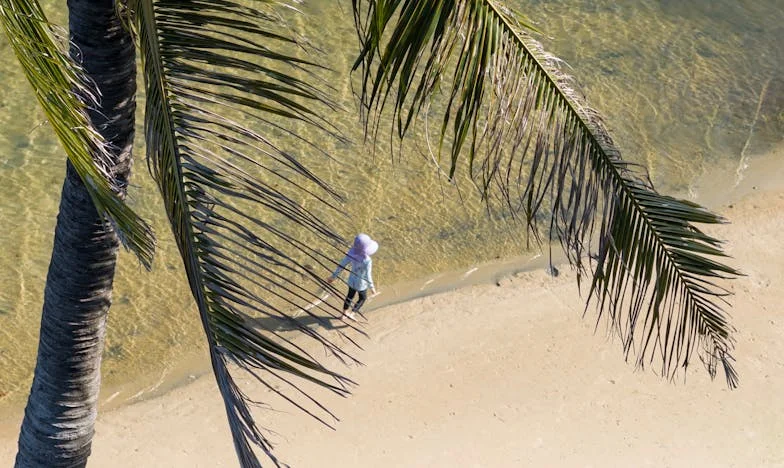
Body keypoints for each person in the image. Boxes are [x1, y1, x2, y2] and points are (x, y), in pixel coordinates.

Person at [327, 233, 378, 320]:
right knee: (362, 298)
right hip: (361, 284)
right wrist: (372, 289)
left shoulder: (351, 254)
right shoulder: (367, 260)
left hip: (351, 280)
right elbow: (367, 275)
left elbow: (341, 266)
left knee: (349, 296)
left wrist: (333, 277)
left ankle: (344, 314)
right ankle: (352, 313)